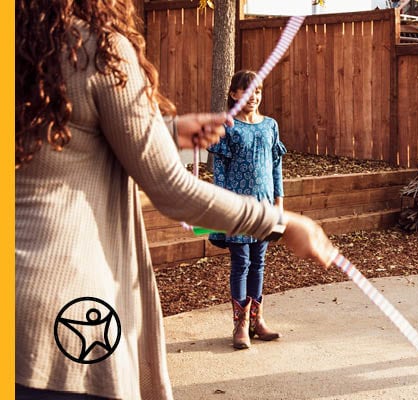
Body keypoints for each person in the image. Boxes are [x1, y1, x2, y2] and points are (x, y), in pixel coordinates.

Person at [15, 1, 336, 399]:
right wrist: (280, 223)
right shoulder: (96, 49)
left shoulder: (21, 46)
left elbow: (64, 141)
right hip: (66, 307)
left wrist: (161, 132)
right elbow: (172, 188)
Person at [207, 70, 286, 349]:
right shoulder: (227, 127)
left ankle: (257, 321)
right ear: (234, 94)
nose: (254, 97)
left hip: (264, 207)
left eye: (258, 91)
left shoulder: (270, 126)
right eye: (247, 91)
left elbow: (276, 165)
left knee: (259, 262)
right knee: (241, 262)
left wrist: (279, 201)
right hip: (238, 209)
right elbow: (219, 170)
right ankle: (239, 325)